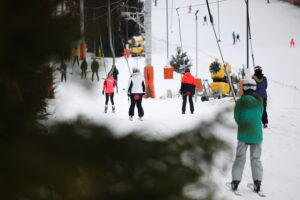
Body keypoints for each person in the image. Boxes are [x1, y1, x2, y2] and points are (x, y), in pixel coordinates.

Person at [231, 79, 264, 193]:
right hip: (257, 134)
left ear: (243, 87)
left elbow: (237, 117)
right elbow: (260, 114)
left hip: (243, 133)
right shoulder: (259, 101)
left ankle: (235, 182)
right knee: (256, 159)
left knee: (240, 158)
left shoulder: (240, 101)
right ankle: (258, 183)